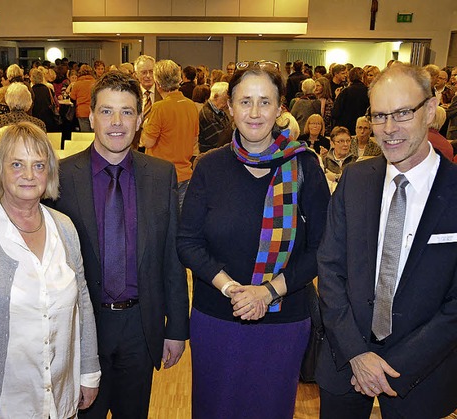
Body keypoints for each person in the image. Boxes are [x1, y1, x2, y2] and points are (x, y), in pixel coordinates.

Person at [177, 63, 330, 419]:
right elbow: (188, 242)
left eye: (265, 102)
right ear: (230, 107)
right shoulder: (209, 166)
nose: (255, 112)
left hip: (284, 322)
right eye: (245, 101)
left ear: (280, 108)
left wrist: (268, 291)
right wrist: (233, 289)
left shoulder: (305, 165)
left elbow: (323, 247)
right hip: (217, 316)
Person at [316, 63, 457, 419]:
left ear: (429, 110)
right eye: (379, 115)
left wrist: (391, 367)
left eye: (402, 113)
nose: (389, 129)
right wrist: (357, 354)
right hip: (345, 361)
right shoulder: (355, 179)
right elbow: (330, 268)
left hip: (423, 373)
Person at [50, 71, 189, 419]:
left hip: (140, 327)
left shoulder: (160, 175)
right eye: (107, 111)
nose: (116, 122)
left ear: (140, 118)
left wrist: (176, 328)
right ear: (91, 115)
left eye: (126, 112)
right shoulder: (61, 176)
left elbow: (170, 255)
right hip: (82, 327)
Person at [0, 122, 101, 418]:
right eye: (17, 164)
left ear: (50, 172)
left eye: (39, 165)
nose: (29, 175)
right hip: (5, 403)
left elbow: (83, 303)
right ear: (0, 169)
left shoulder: (64, 228)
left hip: (62, 398)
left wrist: (89, 369)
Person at [141, 59, 199, 209]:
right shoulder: (191, 105)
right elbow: (194, 140)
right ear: (179, 79)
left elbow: (148, 142)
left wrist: (145, 126)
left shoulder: (159, 108)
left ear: (158, 83)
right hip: (185, 174)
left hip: (161, 177)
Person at [198, 81, 232, 153]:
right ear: (216, 96)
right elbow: (220, 142)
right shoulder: (208, 115)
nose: (227, 103)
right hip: (211, 155)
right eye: (225, 99)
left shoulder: (219, 111)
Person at [69, 64, 96, 132]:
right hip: (94, 110)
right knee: (94, 134)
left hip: (82, 112)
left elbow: (72, 98)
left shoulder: (77, 84)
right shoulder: (96, 83)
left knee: (85, 134)